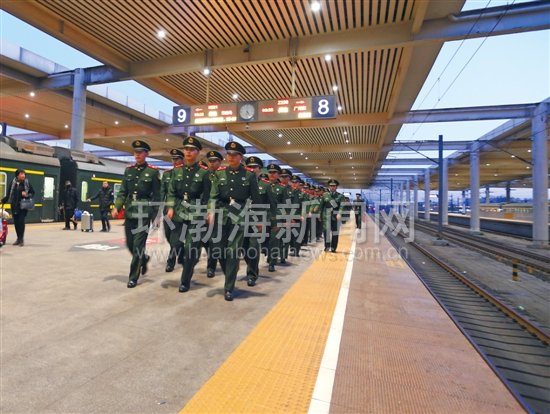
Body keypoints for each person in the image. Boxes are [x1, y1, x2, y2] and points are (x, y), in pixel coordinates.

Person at [208, 141, 260, 301]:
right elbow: (213, 195)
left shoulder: (249, 175)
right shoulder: (220, 174)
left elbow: (256, 199)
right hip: (222, 214)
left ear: (240, 157)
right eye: (229, 154)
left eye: (234, 155)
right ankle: (232, 269)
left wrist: (258, 219)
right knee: (219, 250)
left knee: (233, 251)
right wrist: (211, 210)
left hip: (240, 215)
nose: (231, 157)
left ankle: (228, 287)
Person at [112, 140, 160, 288]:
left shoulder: (153, 172)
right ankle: (143, 259)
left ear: (146, 154)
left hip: (144, 212)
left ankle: (133, 276)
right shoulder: (129, 170)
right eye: (135, 152)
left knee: (138, 245)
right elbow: (123, 192)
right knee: (130, 244)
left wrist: (156, 216)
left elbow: (157, 196)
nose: (137, 155)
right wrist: (117, 207)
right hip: (130, 211)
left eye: (140, 152)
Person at [166, 136, 211, 293]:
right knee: (175, 244)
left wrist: (207, 212)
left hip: (196, 214)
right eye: (186, 149)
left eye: (192, 150)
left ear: (197, 152)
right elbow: (171, 192)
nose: (188, 152)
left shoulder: (204, 173)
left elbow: (208, 196)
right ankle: (188, 259)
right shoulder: (177, 171)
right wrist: (170, 207)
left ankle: (185, 281)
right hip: (179, 212)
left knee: (190, 247)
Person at [243, 156, 273, 286]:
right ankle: (251, 266)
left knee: (254, 247)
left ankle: (252, 274)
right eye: (249, 167)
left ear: (260, 169)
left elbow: (271, 205)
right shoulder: (241, 182)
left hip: (257, 220)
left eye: (255, 167)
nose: (252, 169)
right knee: (244, 247)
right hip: (241, 219)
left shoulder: (265, 185)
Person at [161, 149, 184, 272]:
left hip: (180, 210)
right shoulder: (167, 174)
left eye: (177, 159)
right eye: (173, 159)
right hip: (167, 210)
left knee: (175, 237)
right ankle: (182, 249)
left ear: (182, 160)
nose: (174, 161)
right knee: (168, 235)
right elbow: (162, 192)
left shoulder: (185, 173)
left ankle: (171, 261)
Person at [1, 169, 35, 246]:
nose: (23, 175)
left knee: (21, 222)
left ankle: (21, 239)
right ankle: (18, 238)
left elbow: (32, 192)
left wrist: (26, 194)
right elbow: (9, 194)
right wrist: (3, 201)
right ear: (17, 175)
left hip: (22, 206)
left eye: (24, 174)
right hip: (14, 205)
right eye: (21, 174)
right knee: (16, 222)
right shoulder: (13, 182)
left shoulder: (26, 183)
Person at [204, 150, 224, 278]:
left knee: (215, 240)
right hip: (203, 211)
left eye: (214, 161)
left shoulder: (224, 175)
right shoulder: (204, 175)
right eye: (210, 161)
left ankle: (211, 266)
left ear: (220, 162)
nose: (211, 163)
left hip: (219, 212)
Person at [320, 178, 345, 252]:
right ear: (329, 187)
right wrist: (320, 215)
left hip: (336, 216)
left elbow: (342, 206)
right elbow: (321, 206)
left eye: (334, 186)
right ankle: (327, 246)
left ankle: (333, 247)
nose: (332, 187)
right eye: (331, 186)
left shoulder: (340, 196)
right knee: (326, 232)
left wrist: (339, 213)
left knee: (335, 232)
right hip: (326, 216)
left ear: (336, 187)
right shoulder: (325, 195)